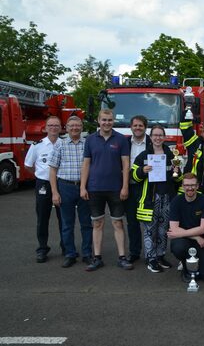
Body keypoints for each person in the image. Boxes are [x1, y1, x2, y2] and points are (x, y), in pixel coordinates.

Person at [80, 109, 133, 271]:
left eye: (109, 120)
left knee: (118, 223)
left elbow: (125, 164)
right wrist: (83, 186)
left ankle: (122, 257)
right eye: (104, 120)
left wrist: (125, 186)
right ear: (98, 121)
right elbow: (86, 164)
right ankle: (97, 258)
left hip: (116, 189)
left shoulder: (122, 140)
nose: (107, 123)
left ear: (113, 121)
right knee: (97, 224)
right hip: (95, 188)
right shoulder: (90, 140)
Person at [131, 125, 179, 272]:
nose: (158, 138)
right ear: (150, 137)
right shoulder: (143, 155)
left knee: (163, 229)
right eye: (155, 135)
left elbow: (178, 178)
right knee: (150, 230)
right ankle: (151, 259)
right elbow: (133, 176)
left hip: (167, 196)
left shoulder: (171, 155)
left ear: (164, 137)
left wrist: (177, 171)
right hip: (151, 198)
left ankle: (160, 255)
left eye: (160, 135)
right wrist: (142, 170)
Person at [48, 116, 92, 268]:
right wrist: (55, 192)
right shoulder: (60, 144)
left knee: (86, 223)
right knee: (67, 224)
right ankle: (70, 254)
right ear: (66, 128)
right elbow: (52, 170)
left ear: (82, 127)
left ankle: (87, 254)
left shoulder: (87, 144)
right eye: (71, 125)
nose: (75, 128)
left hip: (85, 187)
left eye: (77, 125)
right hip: (65, 187)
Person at [24, 115, 64, 263]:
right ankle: (42, 249)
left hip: (61, 183)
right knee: (42, 218)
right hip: (43, 184)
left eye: (56, 125)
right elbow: (28, 165)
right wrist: (39, 174)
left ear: (60, 128)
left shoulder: (64, 144)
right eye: (50, 125)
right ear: (45, 128)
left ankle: (66, 247)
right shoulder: (37, 145)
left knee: (64, 218)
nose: (53, 128)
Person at [167, 173, 204, 283]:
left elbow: (203, 229)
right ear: (182, 186)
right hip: (185, 241)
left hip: (203, 241)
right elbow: (174, 229)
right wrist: (196, 237)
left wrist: (197, 236)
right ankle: (186, 267)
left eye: (193, 185)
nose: (190, 188)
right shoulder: (176, 201)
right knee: (178, 247)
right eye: (186, 185)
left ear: (197, 186)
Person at [125, 115, 152, 263]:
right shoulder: (124, 142)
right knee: (132, 222)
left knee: (149, 222)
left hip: (146, 186)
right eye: (135, 125)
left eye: (140, 125)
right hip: (129, 186)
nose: (137, 128)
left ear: (145, 127)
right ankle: (134, 252)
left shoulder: (151, 142)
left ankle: (151, 253)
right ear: (131, 127)